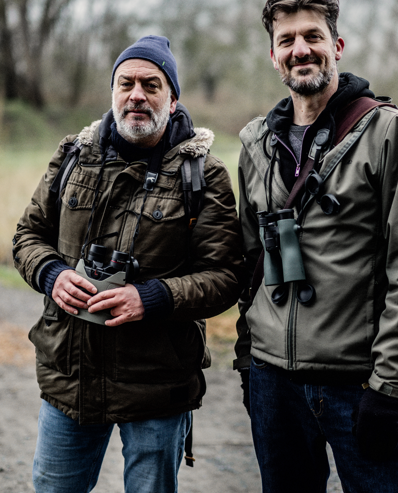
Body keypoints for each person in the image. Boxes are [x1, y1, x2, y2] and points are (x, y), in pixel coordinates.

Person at [233, 0, 398, 492]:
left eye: (313, 35)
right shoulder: (255, 145)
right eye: (286, 40)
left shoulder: (390, 133)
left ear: (338, 46)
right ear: (273, 56)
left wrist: (388, 385)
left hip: (361, 383)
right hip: (273, 383)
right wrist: (249, 362)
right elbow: (247, 263)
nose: (300, 48)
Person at [13, 35, 243, 493]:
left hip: (157, 384)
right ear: (113, 92)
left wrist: (153, 296)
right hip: (69, 379)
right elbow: (26, 237)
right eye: (126, 83)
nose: (136, 94)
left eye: (151, 84)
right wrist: (52, 274)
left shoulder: (203, 174)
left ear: (172, 99)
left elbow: (227, 276)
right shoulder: (74, 156)